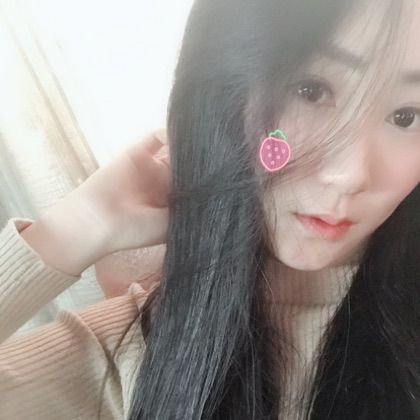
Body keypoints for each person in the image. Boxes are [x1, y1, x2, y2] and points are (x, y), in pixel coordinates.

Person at [1, 0, 420, 419]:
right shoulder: (132, 350)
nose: (350, 175)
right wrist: (72, 231)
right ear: (223, 94)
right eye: (310, 90)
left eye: (407, 116)